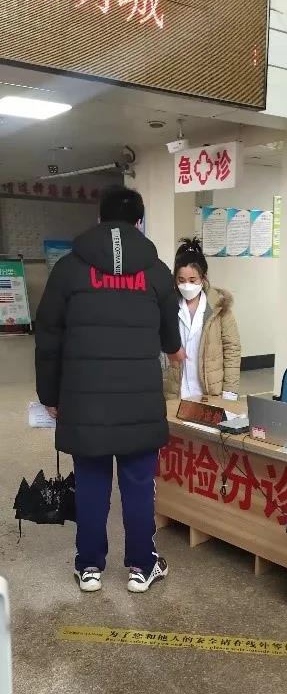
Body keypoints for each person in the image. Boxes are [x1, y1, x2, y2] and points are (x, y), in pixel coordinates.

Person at [35, 187, 183, 593]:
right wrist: (173, 349)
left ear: (99, 219)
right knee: (138, 485)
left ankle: (89, 568)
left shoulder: (69, 269)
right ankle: (141, 567)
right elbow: (170, 337)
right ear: (139, 222)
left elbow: (48, 336)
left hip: (85, 402)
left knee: (92, 483)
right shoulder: (156, 272)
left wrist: (50, 396)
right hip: (139, 401)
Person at [164, 238, 241, 401]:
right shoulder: (169, 306)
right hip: (178, 391)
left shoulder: (220, 308)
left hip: (210, 392)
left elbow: (232, 350)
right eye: (181, 280)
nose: (187, 285)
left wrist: (230, 392)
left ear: (203, 278)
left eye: (192, 280)